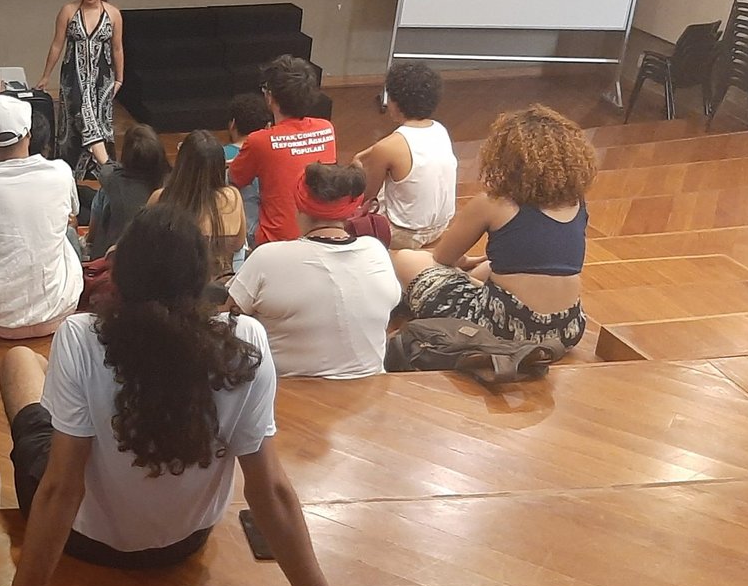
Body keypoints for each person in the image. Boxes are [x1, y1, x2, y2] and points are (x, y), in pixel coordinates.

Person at [0, 206, 390, 586]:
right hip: (185, 543)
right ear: (202, 278)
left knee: (19, 363)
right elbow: (270, 489)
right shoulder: (246, 343)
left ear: (120, 275)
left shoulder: (80, 338)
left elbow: (61, 488)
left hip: (85, 542)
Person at [392, 105, 595, 349]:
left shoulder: (493, 203)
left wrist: (461, 264)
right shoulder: (577, 204)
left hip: (501, 330)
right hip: (567, 330)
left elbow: (443, 257)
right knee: (490, 266)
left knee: (406, 259)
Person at [228, 164, 402, 378]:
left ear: (299, 207)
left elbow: (229, 319)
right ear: (350, 211)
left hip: (286, 395)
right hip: (371, 390)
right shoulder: (376, 251)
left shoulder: (266, 258)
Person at [0, 96, 82, 338]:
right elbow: (73, 214)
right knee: (67, 232)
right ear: (28, 133)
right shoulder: (60, 172)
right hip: (59, 310)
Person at [229, 56, 337, 246]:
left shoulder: (259, 140)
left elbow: (235, 179)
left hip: (274, 240)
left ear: (269, 97)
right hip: (317, 232)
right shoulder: (327, 128)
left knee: (236, 187)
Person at [36, 0, 124, 178]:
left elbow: (117, 47)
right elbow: (57, 44)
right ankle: (106, 166)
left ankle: (96, 169)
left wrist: (120, 78)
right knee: (80, 113)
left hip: (102, 79)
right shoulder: (69, 10)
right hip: (72, 77)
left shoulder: (113, 14)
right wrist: (46, 75)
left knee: (99, 119)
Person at [357, 61, 457, 249]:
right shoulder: (440, 129)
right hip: (441, 226)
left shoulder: (387, 148)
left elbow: (367, 198)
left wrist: (358, 166)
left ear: (394, 101)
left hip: (403, 234)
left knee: (355, 204)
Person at [149, 130, 247, 280]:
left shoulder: (161, 198)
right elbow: (239, 244)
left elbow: (145, 242)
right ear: (219, 166)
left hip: (171, 286)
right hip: (217, 287)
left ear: (182, 163)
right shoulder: (233, 197)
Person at [84, 123, 168, 260]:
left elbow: (107, 171)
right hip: (151, 257)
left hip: (112, 255)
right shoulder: (168, 182)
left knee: (98, 196)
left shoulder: (114, 180)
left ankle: (88, 243)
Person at [225, 92, 273, 246]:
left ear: (232, 124)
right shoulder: (278, 153)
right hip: (273, 231)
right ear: (267, 126)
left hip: (236, 233)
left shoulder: (217, 156)